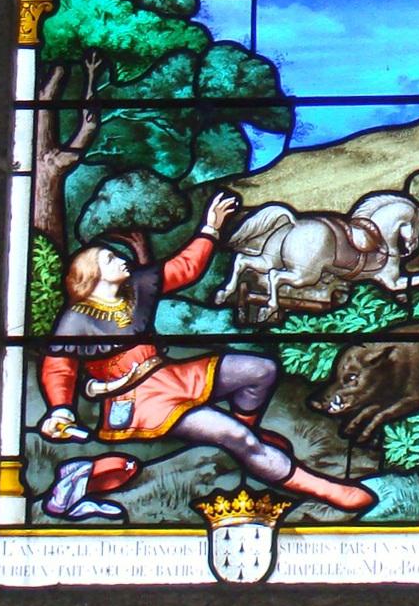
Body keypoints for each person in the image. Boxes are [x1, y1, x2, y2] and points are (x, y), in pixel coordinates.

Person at [38, 190, 373, 516]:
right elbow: (59, 366)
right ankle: (320, 487)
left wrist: (210, 228)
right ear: (91, 277)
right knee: (235, 435)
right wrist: (60, 410)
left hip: (171, 377)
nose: (121, 259)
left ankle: (250, 436)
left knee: (260, 371)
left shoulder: (135, 287)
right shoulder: (77, 319)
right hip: (140, 402)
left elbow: (185, 268)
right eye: (109, 259)